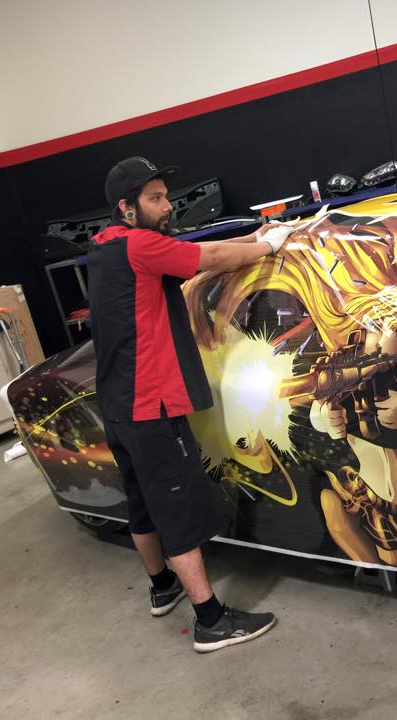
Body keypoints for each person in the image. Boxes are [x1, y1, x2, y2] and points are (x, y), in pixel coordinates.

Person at [87, 156, 292, 652]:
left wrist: (256, 236)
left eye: (165, 196)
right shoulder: (141, 245)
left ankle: (162, 587)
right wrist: (268, 246)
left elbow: (199, 251)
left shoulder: (106, 245)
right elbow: (211, 257)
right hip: (151, 403)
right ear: (127, 207)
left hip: (118, 404)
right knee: (177, 510)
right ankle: (211, 620)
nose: (167, 206)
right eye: (154, 198)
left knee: (142, 503)